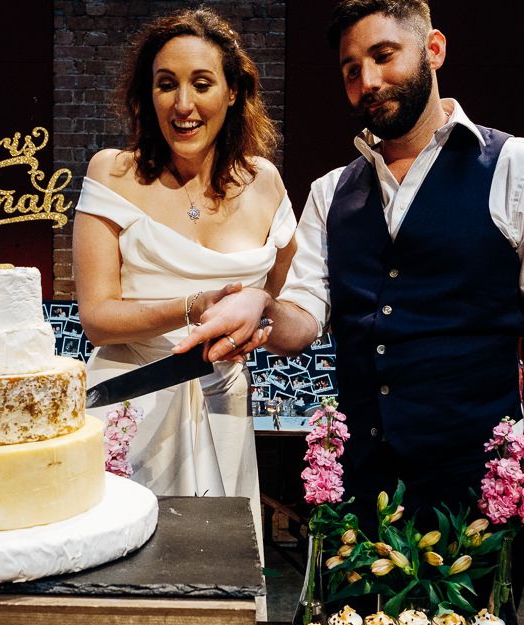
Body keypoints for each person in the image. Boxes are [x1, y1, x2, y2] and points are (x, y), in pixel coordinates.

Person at [175, 0, 524, 548]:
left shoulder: (511, 167)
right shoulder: (331, 190)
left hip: (479, 493)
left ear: (433, 50)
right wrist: (262, 305)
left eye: (385, 56)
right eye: (351, 70)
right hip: (363, 492)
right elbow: (304, 320)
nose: (369, 81)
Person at [72, 7, 297, 567]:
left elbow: (286, 302)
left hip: (223, 405)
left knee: (220, 571)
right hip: (129, 401)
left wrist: (255, 326)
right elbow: (97, 316)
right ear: (146, 95)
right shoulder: (112, 172)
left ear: (232, 93)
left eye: (201, 84)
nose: (182, 104)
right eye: (165, 84)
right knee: (122, 571)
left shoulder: (265, 182)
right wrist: (193, 306)